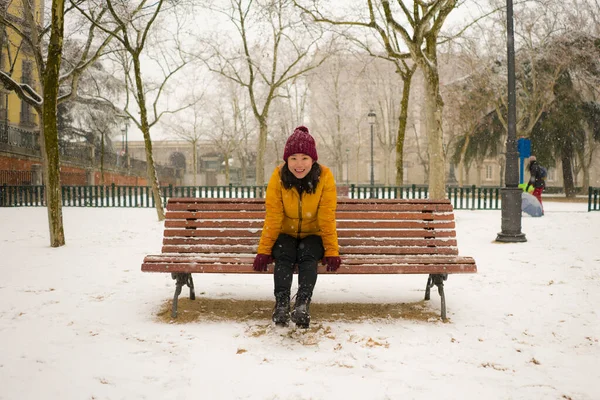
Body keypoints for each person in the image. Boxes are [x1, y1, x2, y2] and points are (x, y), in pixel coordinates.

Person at [253, 126, 341, 329]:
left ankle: (302, 304)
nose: (299, 164)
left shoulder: (324, 178)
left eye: (304, 158)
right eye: (293, 158)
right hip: (286, 233)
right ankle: (282, 304)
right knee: (284, 254)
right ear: (286, 160)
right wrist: (264, 250)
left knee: (308, 255)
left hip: (313, 234)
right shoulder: (279, 177)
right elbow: (274, 216)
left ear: (313, 159)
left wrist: (332, 250)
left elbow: (327, 217)